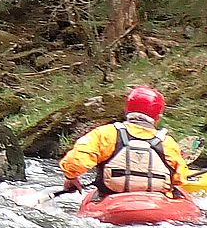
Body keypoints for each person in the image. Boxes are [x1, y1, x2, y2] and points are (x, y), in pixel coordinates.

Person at [59, 85, 188, 198]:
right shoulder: (168, 142)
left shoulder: (106, 133)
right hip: (155, 202)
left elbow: (74, 161)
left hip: (112, 199)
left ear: (127, 111)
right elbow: (179, 178)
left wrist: (71, 177)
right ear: (157, 117)